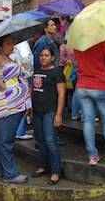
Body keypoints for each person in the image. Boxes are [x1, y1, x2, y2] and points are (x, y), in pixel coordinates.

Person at [0, 35, 32, 184]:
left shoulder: (8, 58)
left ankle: (1, 168)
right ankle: (10, 174)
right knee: (6, 140)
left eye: (12, 43)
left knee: (2, 138)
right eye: (8, 44)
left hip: (15, 104)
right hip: (8, 105)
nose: (12, 46)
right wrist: (0, 83)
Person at [74, 39, 105, 166]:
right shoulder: (103, 44)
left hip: (82, 86)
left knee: (88, 121)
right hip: (101, 86)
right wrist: (103, 71)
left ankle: (92, 156)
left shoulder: (78, 45)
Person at [31, 47, 66, 185]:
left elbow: (62, 94)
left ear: (52, 57)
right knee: (40, 141)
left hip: (50, 111)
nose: (43, 58)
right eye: (41, 55)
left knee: (50, 141)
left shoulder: (57, 72)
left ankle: (56, 171)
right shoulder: (38, 71)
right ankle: (43, 166)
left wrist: (58, 114)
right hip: (37, 111)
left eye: (46, 55)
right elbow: (33, 89)